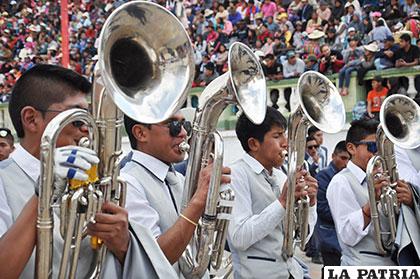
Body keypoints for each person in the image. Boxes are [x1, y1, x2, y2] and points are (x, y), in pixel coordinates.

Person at [0, 64, 177, 278]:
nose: (87, 127)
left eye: (89, 117)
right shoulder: (3, 179)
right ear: (31, 119)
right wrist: (44, 190)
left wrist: (123, 244)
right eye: (77, 118)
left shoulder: (95, 181)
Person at [121, 111, 230, 276]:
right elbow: (154, 257)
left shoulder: (179, 178)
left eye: (185, 125)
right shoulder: (128, 182)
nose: (184, 133)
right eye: (173, 126)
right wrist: (199, 200)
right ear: (141, 133)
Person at [227, 106, 318, 278]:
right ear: (254, 144)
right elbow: (239, 237)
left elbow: (300, 240)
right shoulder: (237, 174)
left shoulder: (281, 175)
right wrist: (283, 203)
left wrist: (310, 205)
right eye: (277, 136)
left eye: (284, 134)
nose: (285, 142)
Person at [326, 119, 417, 266]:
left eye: (381, 147)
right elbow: (347, 235)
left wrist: (410, 202)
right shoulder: (341, 182)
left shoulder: (385, 176)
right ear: (351, 148)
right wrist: (372, 203)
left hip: (394, 265)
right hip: (361, 266)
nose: (377, 153)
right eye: (372, 146)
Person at [316, 141, 350, 267]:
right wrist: (349, 215)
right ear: (333, 156)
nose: (346, 163)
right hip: (330, 238)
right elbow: (322, 208)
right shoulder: (323, 176)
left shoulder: (349, 176)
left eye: (349, 159)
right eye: (343, 158)